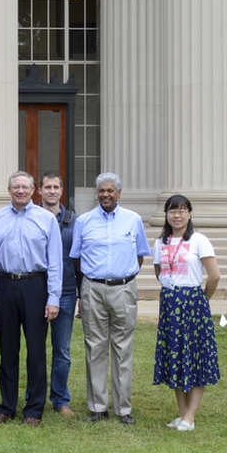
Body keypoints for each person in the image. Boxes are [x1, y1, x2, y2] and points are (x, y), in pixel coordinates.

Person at [71, 172, 151, 425]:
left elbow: (139, 256)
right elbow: (77, 257)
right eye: (101, 191)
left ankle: (123, 408)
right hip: (93, 288)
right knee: (95, 347)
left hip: (124, 289)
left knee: (123, 348)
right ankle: (98, 407)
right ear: (97, 193)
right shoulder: (83, 221)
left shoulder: (133, 219)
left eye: (110, 191)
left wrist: (122, 277)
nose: (105, 194)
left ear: (119, 192)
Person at [0, 171, 61, 427]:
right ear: (9, 190)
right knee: (7, 349)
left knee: (36, 351)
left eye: (25, 187)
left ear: (33, 190)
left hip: (35, 286)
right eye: (15, 187)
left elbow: (55, 262)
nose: (20, 191)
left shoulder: (47, 219)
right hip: (5, 285)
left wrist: (53, 298)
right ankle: (6, 406)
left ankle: (34, 409)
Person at [152, 195, 221, 432]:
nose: (177, 215)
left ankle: (190, 416)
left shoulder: (199, 240)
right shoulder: (161, 242)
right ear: (166, 214)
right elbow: (159, 272)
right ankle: (182, 415)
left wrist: (203, 298)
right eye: (172, 211)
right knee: (176, 357)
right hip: (170, 304)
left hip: (193, 303)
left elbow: (214, 275)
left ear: (190, 214)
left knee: (196, 357)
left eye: (182, 211)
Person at [38, 173, 81, 418]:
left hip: (65, 292)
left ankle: (60, 398)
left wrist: (81, 294)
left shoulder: (73, 221)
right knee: (36, 348)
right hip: (36, 290)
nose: (52, 191)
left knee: (61, 350)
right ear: (40, 190)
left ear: (62, 191)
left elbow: (80, 260)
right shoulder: (32, 217)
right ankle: (34, 396)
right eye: (47, 187)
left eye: (56, 187)